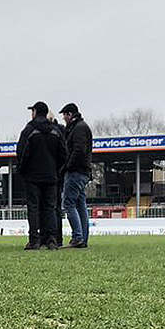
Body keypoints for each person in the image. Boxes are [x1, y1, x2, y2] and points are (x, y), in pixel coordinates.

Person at [16, 101, 65, 250]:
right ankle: (51, 239)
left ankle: (34, 240)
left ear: (35, 112)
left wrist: (23, 170)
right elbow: (64, 154)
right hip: (51, 176)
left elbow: (21, 153)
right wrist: (56, 170)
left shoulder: (29, 130)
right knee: (50, 208)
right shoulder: (56, 131)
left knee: (33, 208)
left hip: (32, 177)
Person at [59, 102, 93, 248]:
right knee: (80, 204)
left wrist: (67, 166)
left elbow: (78, 150)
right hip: (82, 171)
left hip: (76, 172)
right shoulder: (81, 126)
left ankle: (77, 236)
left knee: (68, 203)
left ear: (69, 114)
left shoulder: (78, 128)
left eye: (64, 116)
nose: (63, 119)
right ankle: (83, 238)